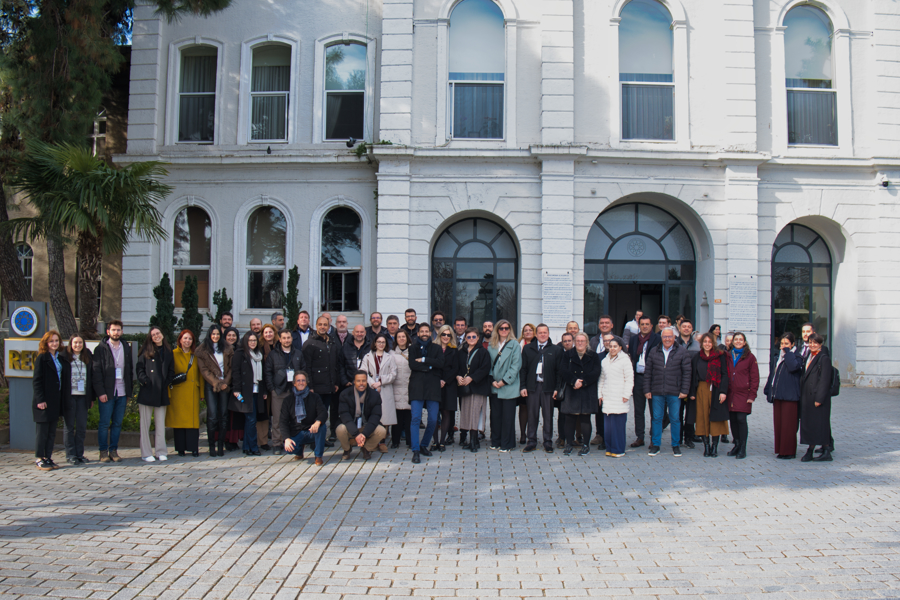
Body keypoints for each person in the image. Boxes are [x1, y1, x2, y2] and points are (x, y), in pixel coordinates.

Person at [643, 326, 692, 457]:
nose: (667, 339)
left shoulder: (682, 352)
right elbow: (648, 372)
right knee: (656, 418)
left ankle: (676, 445)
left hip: (675, 391)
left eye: (670, 336)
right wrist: (647, 389)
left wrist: (684, 390)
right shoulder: (654, 351)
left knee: (675, 418)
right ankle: (656, 445)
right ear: (661, 338)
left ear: (674, 337)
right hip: (657, 390)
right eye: (664, 336)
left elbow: (687, 373)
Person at [92, 320, 134, 463]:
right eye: (113, 330)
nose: (116, 332)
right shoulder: (101, 349)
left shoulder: (126, 347)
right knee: (104, 423)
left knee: (117, 423)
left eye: (118, 330)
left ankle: (113, 451)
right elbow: (96, 372)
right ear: (108, 331)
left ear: (122, 331)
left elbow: (129, 371)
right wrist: (100, 392)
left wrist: (129, 392)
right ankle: (103, 452)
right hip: (107, 392)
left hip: (122, 392)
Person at [519, 324, 563, 453]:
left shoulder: (556, 350)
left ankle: (547, 441)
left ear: (548, 334)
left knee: (548, 416)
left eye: (545, 332)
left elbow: (558, 372)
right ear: (536, 334)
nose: (542, 335)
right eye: (540, 332)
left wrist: (557, 388)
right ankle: (531, 441)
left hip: (548, 387)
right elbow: (523, 370)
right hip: (533, 387)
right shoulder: (528, 349)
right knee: (532, 415)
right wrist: (523, 386)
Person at [302, 316, 345, 443]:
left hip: (329, 385)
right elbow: (306, 367)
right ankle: (314, 439)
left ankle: (320, 437)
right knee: (315, 414)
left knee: (324, 413)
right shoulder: (309, 343)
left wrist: (336, 382)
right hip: (315, 386)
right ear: (316, 325)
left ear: (328, 326)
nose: (322, 327)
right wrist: (309, 386)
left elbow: (335, 364)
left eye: (325, 325)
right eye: (320, 324)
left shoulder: (332, 341)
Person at [265, 329, 308, 455]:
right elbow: (268, 372)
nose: (286, 340)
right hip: (278, 391)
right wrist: (272, 388)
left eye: (288, 338)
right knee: (277, 419)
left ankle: (292, 442)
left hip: (295, 391)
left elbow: (303, 370)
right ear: (280, 339)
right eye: (284, 338)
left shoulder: (298, 353)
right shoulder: (273, 354)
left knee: (296, 418)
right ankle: (277, 443)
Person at [559, 332, 601, 456]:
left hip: (587, 391)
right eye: (578, 341)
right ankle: (569, 444)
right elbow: (563, 370)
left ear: (587, 342)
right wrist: (573, 381)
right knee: (569, 419)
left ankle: (585, 445)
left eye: (582, 341)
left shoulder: (593, 356)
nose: (580, 343)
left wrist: (583, 382)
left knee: (585, 419)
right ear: (574, 342)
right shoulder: (568, 355)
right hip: (572, 390)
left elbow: (596, 371)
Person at [136, 326, 175, 462]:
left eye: (158, 333)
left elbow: (171, 370)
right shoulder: (146, 351)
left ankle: (161, 451)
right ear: (150, 338)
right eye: (153, 335)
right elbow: (139, 369)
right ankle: (146, 453)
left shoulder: (168, 352)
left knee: (160, 424)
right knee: (145, 425)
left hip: (162, 392)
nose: (156, 336)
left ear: (162, 334)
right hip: (147, 392)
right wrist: (145, 381)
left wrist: (166, 383)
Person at [33, 330, 69, 470]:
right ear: (46, 343)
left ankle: (47, 457)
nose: (54, 343)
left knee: (51, 432)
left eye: (56, 341)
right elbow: (37, 381)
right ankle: (39, 458)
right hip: (43, 401)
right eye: (51, 341)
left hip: (55, 400)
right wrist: (40, 399)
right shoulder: (42, 358)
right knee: (42, 432)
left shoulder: (59, 358)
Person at [690, 333, 730, 458]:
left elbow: (725, 374)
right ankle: (706, 446)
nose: (707, 344)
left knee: (715, 418)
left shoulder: (720, 356)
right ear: (701, 343)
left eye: (709, 342)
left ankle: (714, 447)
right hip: (701, 389)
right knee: (702, 418)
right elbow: (693, 376)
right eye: (705, 342)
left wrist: (723, 392)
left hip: (716, 388)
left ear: (713, 343)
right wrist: (692, 393)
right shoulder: (697, 357)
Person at [408, 324, 444, 463]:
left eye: (426, 331)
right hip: (416, 387)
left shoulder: (436, 348)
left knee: (433, 419)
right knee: (416, 418)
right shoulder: (413, 348)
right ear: (418, 333)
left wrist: (425, 361)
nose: (424, 333)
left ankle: (424, 444)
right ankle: (416, 450)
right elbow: (412, 365)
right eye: (421, 331)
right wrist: (430, 367)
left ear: (430, 333)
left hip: (432, 387)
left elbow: (440, 363)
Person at [196, 325, 233, 457]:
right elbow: (204, 371)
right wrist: (217, 383)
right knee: (212, 416)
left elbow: (230, 369)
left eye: (218, 334)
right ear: (209, 335)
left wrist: (225, 383)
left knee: (223, 415)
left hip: (225, 385)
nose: (216, 336)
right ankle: (211, 445)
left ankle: (220, 445)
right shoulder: (202, 350)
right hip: (211, 385)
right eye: (213, 334)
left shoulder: (228, 348)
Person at [764, 332, 802, 459]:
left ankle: (789, 451)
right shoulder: (777, 357)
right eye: (781, 344)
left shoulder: (796, 356)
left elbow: (793, 367)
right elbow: (773, 375)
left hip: (790, 396)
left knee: (788, 425)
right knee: (779, 424)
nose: (783, 346)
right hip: (778, 394)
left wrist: (788, 353)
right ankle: (781, 449)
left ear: (792, 344)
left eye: (786, 344)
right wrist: (768, 389)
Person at [167, 330, 204, 457]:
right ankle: (180, 448)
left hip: (193, 391)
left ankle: (194, 448)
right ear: (180, 340)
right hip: (178, 392)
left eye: (190, 339)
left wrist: (202, 393)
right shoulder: (173, 354)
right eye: (185, 338)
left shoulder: (196, 355)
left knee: (193, 422)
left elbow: (200, 375)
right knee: (179, 421)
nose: (187, 341)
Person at [280, 372, 327, 466]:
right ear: (294, 383)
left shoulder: (315, 397)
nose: (301, 383)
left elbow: (323, 412)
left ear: (306, 383)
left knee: (322, 427)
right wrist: (286, 439)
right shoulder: (287, 400)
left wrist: (318, 421)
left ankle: (318, 456)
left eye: (303, 380)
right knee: (288, 449)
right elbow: (283, 421)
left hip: (311, 430)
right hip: (297, 432)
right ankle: (299, 451)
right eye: (298, 380)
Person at [799, 333, 833, 462]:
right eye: (810, 343)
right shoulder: (809, 356)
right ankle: (820, 450)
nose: (812, 345)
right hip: (808, 396)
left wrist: (819, 398)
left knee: (819, 425)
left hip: (818, 398)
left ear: (820, 344)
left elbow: (825, 380)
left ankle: (819, 451)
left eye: (815, 343)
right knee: (812, 425)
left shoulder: (823, 358)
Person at [337, 371, 386, 460]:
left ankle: (366, 448)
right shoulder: (345, 394)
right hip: (351, 425)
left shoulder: (374, 395)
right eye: (358, 381)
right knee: (340, 429)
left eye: (363, 381)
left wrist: (364, 434)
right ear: (354, 382)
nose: (361, 383)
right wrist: (356, 434)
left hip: (366, 426)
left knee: (381, 431)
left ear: (367, 381)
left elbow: (376, 416)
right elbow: (345, 415)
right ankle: (347, 449)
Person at [725, 332, 759, 460]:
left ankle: (743, 447)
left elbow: (755, 378)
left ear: (744, 342)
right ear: (732, 342)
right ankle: (736, 444)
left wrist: (752, 395)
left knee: (741, 419)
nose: (738, 341)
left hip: (743, 393)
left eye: (741, 340)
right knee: (733, 420)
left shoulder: (750, 357)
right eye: (736, 339)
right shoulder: (727, 355)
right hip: (730, 393)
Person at [457, 327, 491, 453]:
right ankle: (472, 440)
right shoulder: (461, 352)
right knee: (466, 413)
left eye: (474, 337)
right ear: (465, 338)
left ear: (478, 338)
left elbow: (485, 368)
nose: (471, 339)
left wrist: (472, 378)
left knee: (476, 413)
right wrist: (458, 376)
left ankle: (473, 441)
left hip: (478, 387)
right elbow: (457, 366)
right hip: (465, 388)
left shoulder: (483, 352)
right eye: (469, 337)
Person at [360, 333, 396, 452]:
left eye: (383, 342)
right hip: (371, 389)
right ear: (375, 343)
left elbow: (393, 374)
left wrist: (380, 382)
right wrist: (373, 383)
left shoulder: (390, 357)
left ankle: (382, 441)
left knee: (385, 416)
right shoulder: (368, 356)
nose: (381, 344)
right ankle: (372, 439)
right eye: (379, 342)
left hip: (385, 388)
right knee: (372, 415)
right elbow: (363, 372)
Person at [628, 315, 659, 448]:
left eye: (647, 324)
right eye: (642, 324)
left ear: (651, 326)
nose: (644, 326)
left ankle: (654, 438)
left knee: (654, 411)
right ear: (639, 326)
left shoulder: (657, 339)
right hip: (638, 377)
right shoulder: (634, 339)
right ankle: (640, 437)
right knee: (639, 410)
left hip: (653, 378)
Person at [598, 336, 633, 458]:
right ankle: (609, 448)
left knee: (618, 426)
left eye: (615, 346)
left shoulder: (625, 360)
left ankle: (618, 449)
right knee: (608, 428)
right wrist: (600, 394)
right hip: (607, 397)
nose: (612, 348)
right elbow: (602, 379)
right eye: (610, 346)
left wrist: (626, 394)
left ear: (620, 348)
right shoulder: (604, 361)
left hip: (619, 397)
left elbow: (629, 378)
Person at [231, 332, 264, 456]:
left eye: (254, 340)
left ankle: (246, 447)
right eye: (250, 340)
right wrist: (237, 390)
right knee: (251, 420)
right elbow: (236, 373)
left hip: (257, 391)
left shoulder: (259, 354)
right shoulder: (240, 354)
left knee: (250, 420)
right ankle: (254, 447)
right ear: (245, 341)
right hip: (245, 393)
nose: (252, 342)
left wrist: (264, 391)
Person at [63, 335, 94, 465]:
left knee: (81, 427)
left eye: (80, 342)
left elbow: (92, 378)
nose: (78, 345)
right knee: (69, 427)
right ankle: (70, 455)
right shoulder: (64, 358)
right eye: (75, 343)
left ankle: (79, 454)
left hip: (83, 396)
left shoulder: (87, 357)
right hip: (69, 396)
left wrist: (91, 398)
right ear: (71, 344)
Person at [433, 325, 460, 451]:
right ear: (440, 335)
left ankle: (442, 441)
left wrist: (445, 380)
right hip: (435, 383)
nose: (446, 337)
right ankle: (434, 441)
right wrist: (437, 380)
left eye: (448, 335)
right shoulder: (433, 348)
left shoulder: (454, 350)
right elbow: (431, 366)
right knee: (433, 413)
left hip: (449, 385)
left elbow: (455, 368)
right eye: (444, 334)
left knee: (446, 412)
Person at [390, 330, 413, 448]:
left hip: (410, 388)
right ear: (396, 339)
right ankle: (395, 441)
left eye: (403, 336)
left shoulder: (413, 352)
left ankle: (410, 441)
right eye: (399, 337)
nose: (401, 339)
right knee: (397, 418)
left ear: (407, 338)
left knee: (409, 418)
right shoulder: (391, 354)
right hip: (396, 389)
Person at [257, 324, 278, 449]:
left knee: (276, 414)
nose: (268, 334)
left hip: (277, 384)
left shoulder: (279, 346)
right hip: (263, 385)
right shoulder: (259, 348)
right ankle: (263, 441)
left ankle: (277, 439)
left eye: (270, 332)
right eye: (266, 333)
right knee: (263, 414)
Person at [555, 331, 575, 448]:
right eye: (565, 341)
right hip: (562, 387)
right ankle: (562, 437)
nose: (567, 343)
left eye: (569, 341)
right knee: (562, 414)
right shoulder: (559, 354)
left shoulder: (576, 353)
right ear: (562, 343)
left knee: (573, 415)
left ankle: (572, 438)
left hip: (574, 387)